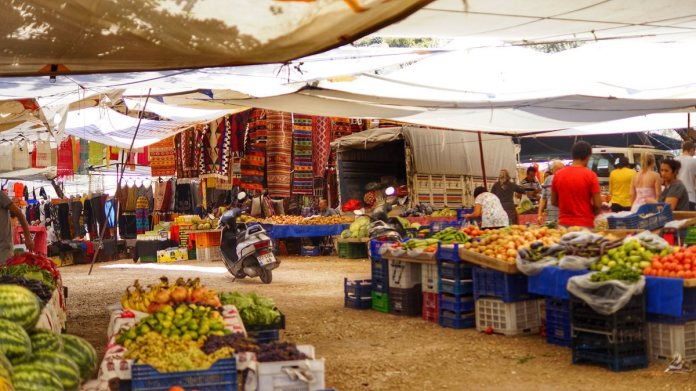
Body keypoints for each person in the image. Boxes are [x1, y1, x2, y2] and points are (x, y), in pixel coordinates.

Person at [551, 141, 602, 228]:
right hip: (585, 224)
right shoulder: (591, 175)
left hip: (563, 224)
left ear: (573, 155)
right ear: (588, 156)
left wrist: (568, 207)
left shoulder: (558, 175)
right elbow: (597, 204)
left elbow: (554, 201)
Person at [0, 191, 34, 264]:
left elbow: (19, 213)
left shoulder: (1, 195)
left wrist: (27, 237)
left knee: (5, 273)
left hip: (3, 248)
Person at [538, 160, 564, 224]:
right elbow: (543, 199)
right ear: (553, 170)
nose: (560, 171)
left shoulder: (567, 179)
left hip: (564, 216)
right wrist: (539, 214)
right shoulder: (548, 179)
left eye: (561, 169)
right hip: (550, 217)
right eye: (558, 169)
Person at [675, 141, 696, 210]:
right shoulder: (694, 161)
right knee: (689, 220)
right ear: (691, 149)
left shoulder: (674, 160)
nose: (694, 153)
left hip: (675, 196)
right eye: (694, 150)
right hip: (690, 196)